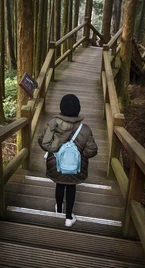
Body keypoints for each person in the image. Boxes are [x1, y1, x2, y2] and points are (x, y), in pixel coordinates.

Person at [38, 94, 98, 227]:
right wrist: (81, 154)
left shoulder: (53, 124)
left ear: (61, 108)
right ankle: (69, 218)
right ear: (78, 109)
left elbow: (42, 141)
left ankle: (59, 209)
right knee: (71, 187)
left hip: (56, 165)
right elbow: (91, 151)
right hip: (75, 167)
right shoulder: (85, 129)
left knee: (59, 184)